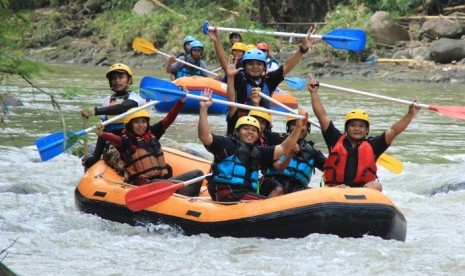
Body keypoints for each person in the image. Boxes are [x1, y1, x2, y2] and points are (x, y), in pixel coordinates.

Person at [307, 75, 421, 191]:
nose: (357, 128)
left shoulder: (373, 145)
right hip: (336, 189)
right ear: (347, 128)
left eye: (361, 126)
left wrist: (410, 114)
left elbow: (394, 130)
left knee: (377, 186)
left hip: (363, 192)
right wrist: (314, 93)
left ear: (367, 130)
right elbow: (322, 116)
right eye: (353, 125)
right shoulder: (335, 138)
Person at [198, 89, 307, 202]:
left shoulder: (258, 152)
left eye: (254, 130)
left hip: (244, 194)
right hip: (227, 192)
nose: (250, 132)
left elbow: (284, 147)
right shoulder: (227, 144)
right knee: (267, 204)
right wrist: (203, 109)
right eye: (246, 129)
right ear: (237, 132)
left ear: (258, 135)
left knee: (269, 200)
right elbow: (204, 136)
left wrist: (298, 127)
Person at [207, 25, 319, 135]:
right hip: (238, 127)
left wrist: (303, 49)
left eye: (259, 64)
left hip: (262, 129)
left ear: (264, 67)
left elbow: (287, 66)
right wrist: (216, 41)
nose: (255, 66)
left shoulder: (269, 80)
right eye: (251, 64)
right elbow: (225, 64)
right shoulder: (239, 78)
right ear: (245, 66)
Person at [94, 99, 203, 197]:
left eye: (143, 121)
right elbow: (115, 139)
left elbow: (168, 120)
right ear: (130, 125)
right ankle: (183, 202)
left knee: (197, 174)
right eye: (136, 122)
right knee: (177, 185)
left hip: (162, 181)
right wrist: (103, 133)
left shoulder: (152, 133)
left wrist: (181, 102)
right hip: (144, 184)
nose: (140, 125)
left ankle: (190, 202)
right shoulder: (126, 142)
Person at [81, 63, 146, 169]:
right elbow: (103, 131)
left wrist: (95, 111)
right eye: (114, 78)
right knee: (89, 161)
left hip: (132, 141)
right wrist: (96, 155)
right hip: (113, 142)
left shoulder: (137, 96)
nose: (117, 81)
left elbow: (122, 108)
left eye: (121, 77)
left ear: (129, 80)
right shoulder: (107, 100)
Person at [260, 114, 327, 197]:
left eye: (302, 124)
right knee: (278, 190)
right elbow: (259, 129)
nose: (298, 127)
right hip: (273, 181)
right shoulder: (276, 139)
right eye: (293, 124)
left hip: (297, 187)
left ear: (308, 128)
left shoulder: (313, 152)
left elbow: (329, 167)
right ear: (288, 127)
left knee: (310, 194)